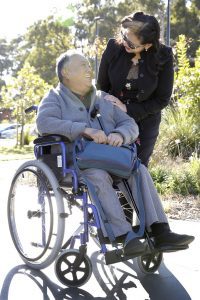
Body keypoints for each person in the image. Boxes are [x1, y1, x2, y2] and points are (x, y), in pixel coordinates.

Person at [36, 51, 194, 256]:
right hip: (77, 163)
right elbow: (44, 123)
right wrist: (83, 129)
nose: (89, 68)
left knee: (139, 170)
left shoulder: (102, 98)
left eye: (88, 65)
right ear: (66, 72)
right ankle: (124, 235)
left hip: (110, 157)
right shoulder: (54, 98)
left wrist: (120, 134)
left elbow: (129, 124)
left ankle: (159, 230)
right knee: (98, 176)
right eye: (82, 65)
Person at [97, 12, 174, 167]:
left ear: (147, 45)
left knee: (137, 167)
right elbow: (102, 86)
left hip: (146, 120)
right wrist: (113, 109)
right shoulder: (113, 47)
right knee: (112, 166)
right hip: (113, 118)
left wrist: (127, 108)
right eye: (124, 36)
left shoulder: (163, 55)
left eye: (131, 44)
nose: (125, 43)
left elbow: (162, 99)